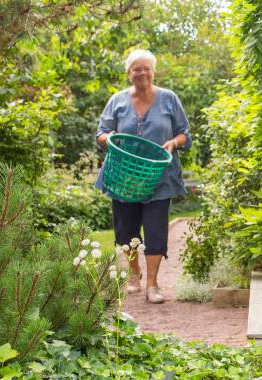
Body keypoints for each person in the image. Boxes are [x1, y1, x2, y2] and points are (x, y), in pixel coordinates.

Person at [95, 49, 191, 304]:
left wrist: (173, 142)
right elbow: (101, 134)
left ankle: (152, 285)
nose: (142, 73)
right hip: (124, 177)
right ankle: (134, 273)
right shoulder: (117, 101)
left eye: (146, 68)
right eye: (136, 69)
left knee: (156, 231)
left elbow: (185, 134)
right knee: (125, 231)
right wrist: (111, 140)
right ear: (129, 73)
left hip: (159, 178)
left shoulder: (169, 99)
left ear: (153, 71)